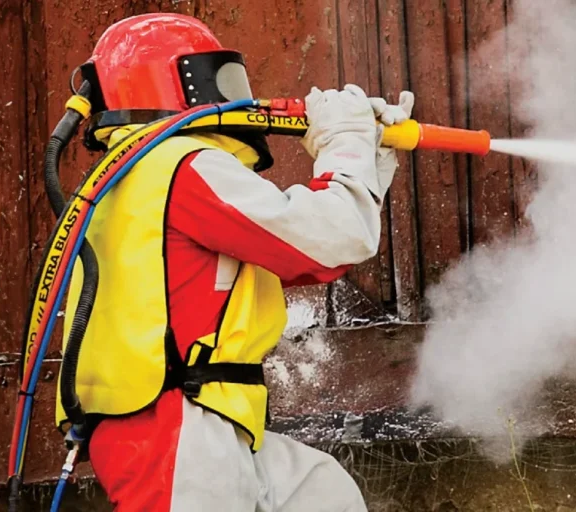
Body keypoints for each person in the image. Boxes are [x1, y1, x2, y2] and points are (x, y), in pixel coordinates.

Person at [56, 12, 414, 512]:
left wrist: (364, 158)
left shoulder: (132, 176)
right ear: (175, 80)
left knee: (322, 494)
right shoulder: (179, 164)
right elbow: (334, 238)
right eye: (216, 77)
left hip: (193, 418)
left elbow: (303, 255)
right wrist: (345, 144)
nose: (234, 96)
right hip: (174, 427)